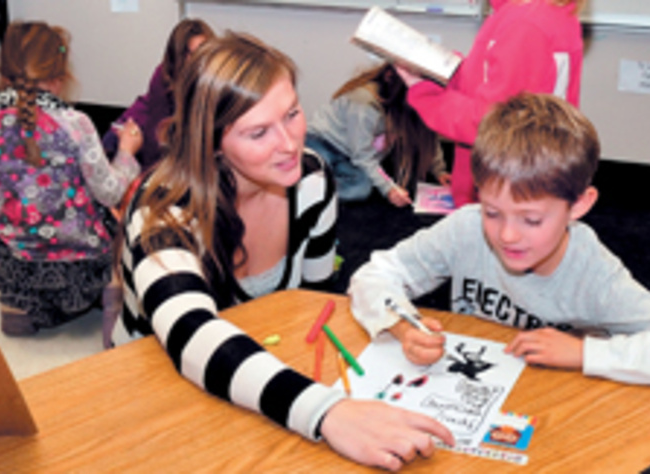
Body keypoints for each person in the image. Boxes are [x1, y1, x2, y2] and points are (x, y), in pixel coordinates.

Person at [109, 32, 454, 470]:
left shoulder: (310, 180)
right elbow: (193, 336)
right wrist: (327, 412)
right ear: (212, 141)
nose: (290, 144)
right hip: (156, 386)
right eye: (258, 133)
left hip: (257, 378)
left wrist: (392, 322)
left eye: (292, 114)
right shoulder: (161, 211)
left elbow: (313, 302)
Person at [348, 93, 650, 386]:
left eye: (531, 219)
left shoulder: (593, 272)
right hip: (481, 388)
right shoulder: (466, 229)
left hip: (556, 400)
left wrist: (584, 352)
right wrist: (403, 326)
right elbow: (373, 275)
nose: (507, 234)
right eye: (492, 211)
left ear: (579, 205)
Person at [0, 21, 142, 335]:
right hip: (83, 267)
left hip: (18, 269)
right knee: (120, 229)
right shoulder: (77, 125)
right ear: (60, 78)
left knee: (0, 243)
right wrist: (126, 152)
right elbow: (110, 193)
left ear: (3, 75)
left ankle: (20, 307)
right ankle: (108, 290)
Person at [396, 0, 585, 207]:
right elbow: (485, 82)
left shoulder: (525, 25)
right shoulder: (531, 15)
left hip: (507, 190)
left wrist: (424, 92)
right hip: (517, 181)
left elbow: (491, 124)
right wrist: (443, 69)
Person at [306, 63, 450, 207]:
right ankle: (306, 186)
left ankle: (318, 184)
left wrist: (439, 171)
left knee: (360, 189)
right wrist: (389, 188)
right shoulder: (364, 104)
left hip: (350, 155)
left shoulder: (404, 103)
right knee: (312, 166)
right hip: (322, 141)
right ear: (389, 76)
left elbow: (426, 133)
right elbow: (362, 156)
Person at [102, 18, 215, 170]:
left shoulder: (215, 81)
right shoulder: (164, 76)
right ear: (178, 58)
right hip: (147, 130)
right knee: (111, 141)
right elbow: (154, 136)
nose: (198, 60)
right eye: (190, 54)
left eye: (203, 52)